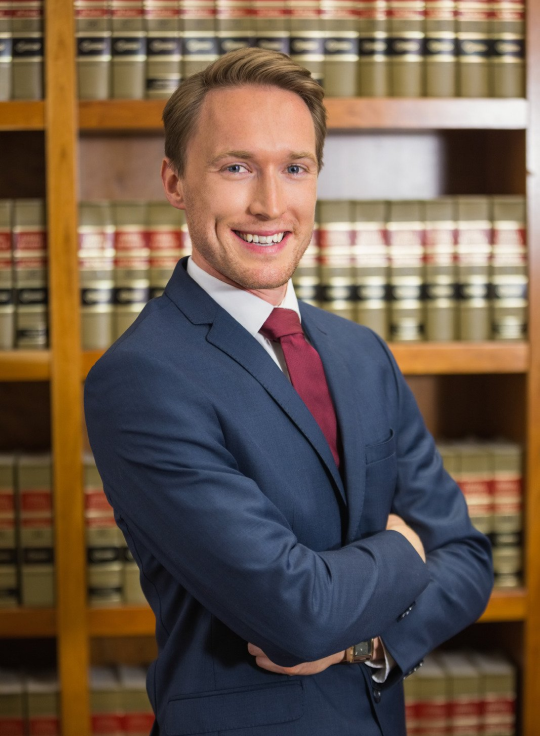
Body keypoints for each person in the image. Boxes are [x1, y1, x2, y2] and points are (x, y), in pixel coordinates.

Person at [84, 48, 493, 736]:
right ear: (176, 182)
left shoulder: (361, 353)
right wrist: (407, 550)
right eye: (236, 167)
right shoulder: (142, 378)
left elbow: (469, 560)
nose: (270, 204)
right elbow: (296, 613)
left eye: (295, 168)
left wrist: (363, 643)